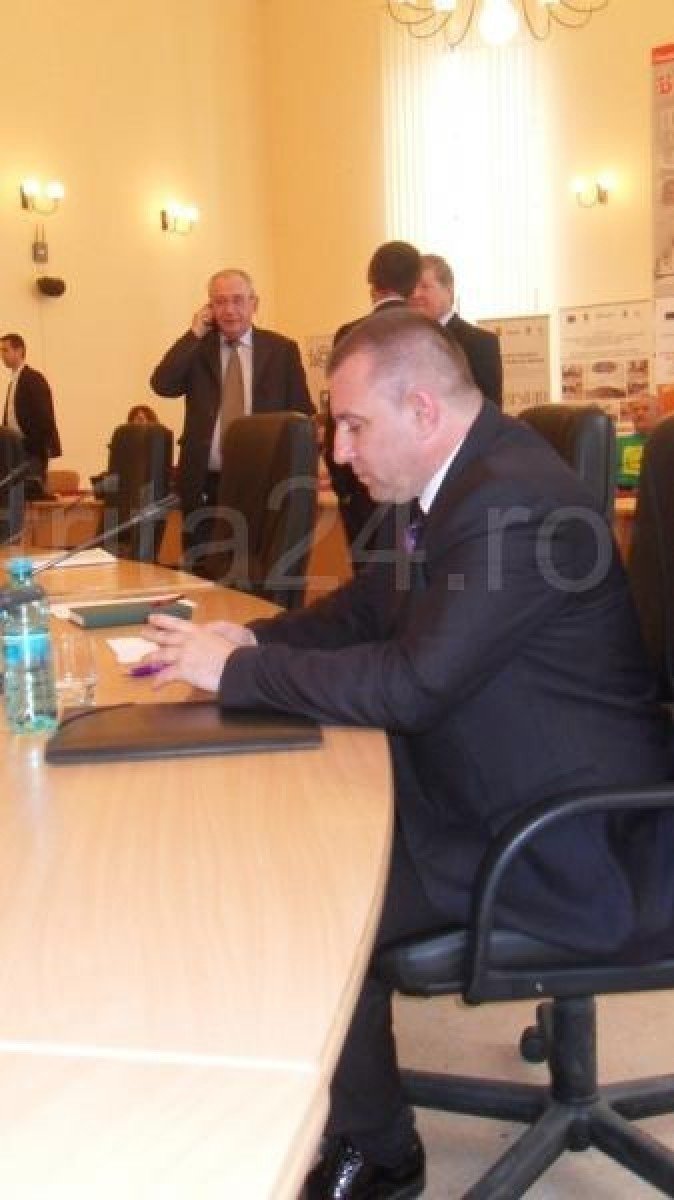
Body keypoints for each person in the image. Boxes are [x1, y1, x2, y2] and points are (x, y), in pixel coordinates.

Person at [145, 309, 671, 1200]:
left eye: (354, 425)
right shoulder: (450, 482)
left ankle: (381, 1153)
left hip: (565, 835)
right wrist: (255, 641)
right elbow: (368, 611)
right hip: (481, 780)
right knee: (291, 834)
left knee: (308, 908)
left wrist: (237, 674)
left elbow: (413, 685)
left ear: (422, 410)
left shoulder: (512, 500)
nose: (338, 452)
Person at [149, 269, 314, 561]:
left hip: (265, 484)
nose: (229, 310)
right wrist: (193, 334)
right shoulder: (198, 349)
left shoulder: (281, 350)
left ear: (254, 304)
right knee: (202, 570)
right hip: (205, 484)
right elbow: (162, 385)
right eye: (220, 302)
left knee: (255, 570)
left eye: (237, 300)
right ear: (209, 308)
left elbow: (301, 413)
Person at [326, 241, 422, 568]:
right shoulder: (433, 335)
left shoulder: (350, 335)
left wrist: (343, 485)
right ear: (414, 285)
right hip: (418, 481)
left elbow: (337, 414)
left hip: (362, 483)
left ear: (372, 283)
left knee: (368, 580)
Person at [412, 253, 503, 407]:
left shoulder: (480, 343)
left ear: (449, 291)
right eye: (412, 288)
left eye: (424, 286)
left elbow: (489, 409)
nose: (416, 294)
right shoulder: (403, 342)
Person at [0, 332, 61, 482]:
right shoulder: (14, 382)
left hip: (31, 450)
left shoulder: (33, 379)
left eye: (5, 350)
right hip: (14, 449)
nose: (2, 355)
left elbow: (45, 417)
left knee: (30, 489)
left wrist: (34, 445)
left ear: (19, 351)